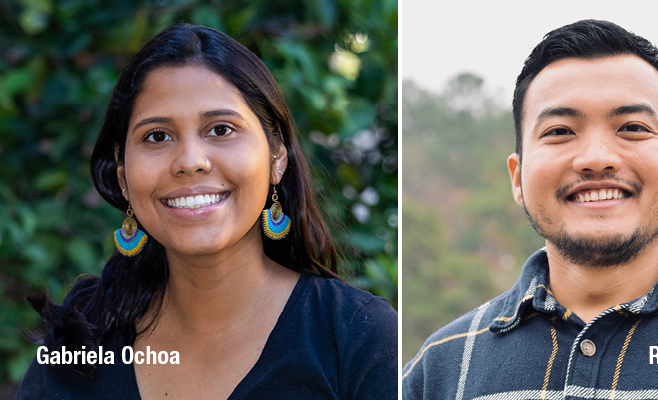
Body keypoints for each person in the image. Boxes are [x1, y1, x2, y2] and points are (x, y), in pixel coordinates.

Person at [402, 19, 658, 399]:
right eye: (559, 132)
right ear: (517, 177)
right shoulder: (439, 367)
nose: (596, 158)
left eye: (632, 128)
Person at [15, 24, 397, 400]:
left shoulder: (357, 340)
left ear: (276, 156)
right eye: (157, 136)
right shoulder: (78, 346)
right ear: (123, 174)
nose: (191, 161)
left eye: (221, 129)